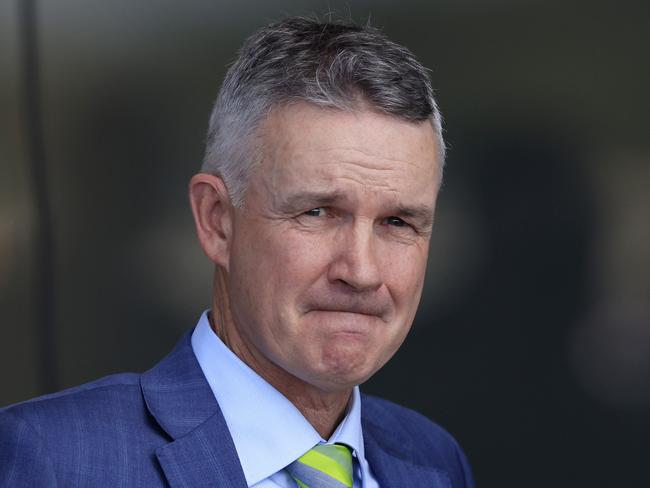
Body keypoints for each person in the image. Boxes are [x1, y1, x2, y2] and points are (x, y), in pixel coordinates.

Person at [0, 17, 474, 487]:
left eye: (397, 222)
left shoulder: (432, 462)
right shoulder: (54, 460)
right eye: (318, 212)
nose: (362, 271)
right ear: (216, 221)